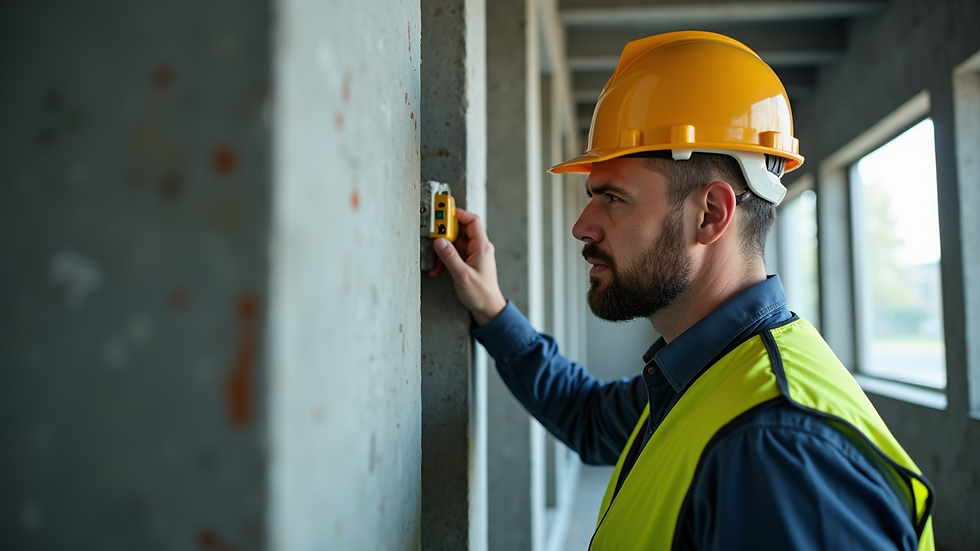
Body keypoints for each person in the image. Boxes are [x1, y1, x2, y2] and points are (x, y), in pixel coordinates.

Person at [431, 31, 935, 550]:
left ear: (711, 214)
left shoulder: (777, 448)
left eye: (613, 198)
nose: (582, 225)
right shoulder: (704, 375)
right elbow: (587, 417)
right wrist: (491, 310)